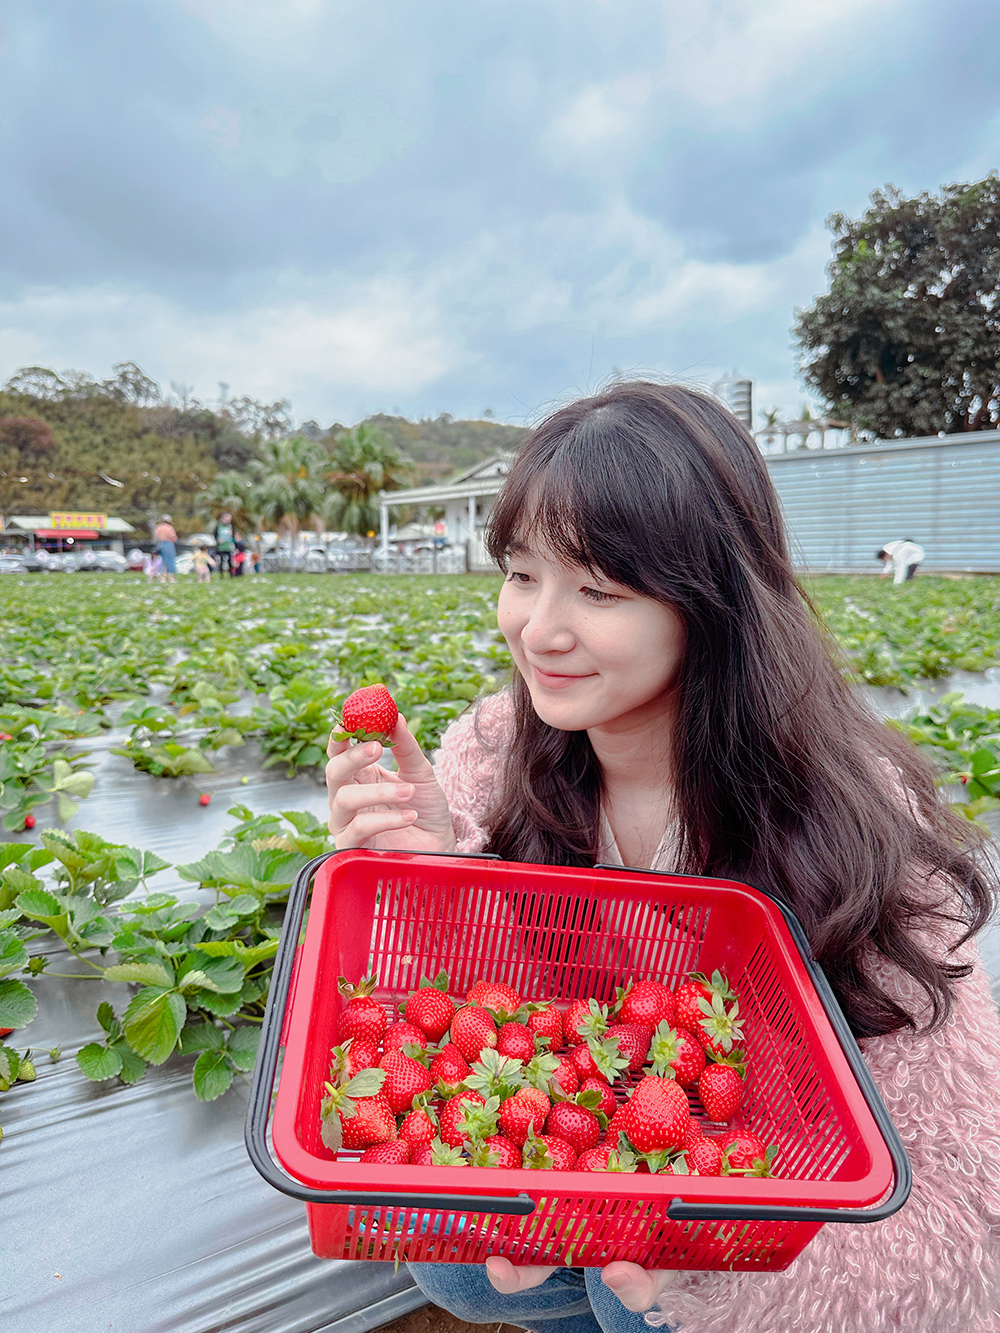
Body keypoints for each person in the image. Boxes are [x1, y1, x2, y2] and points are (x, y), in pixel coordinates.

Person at [325, 382, 1000, 1333]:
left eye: (599, 589)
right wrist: (435, 866)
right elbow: (512, 1034)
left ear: (713, 600)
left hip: (764, 1182)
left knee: (636, 1294)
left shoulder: (845, 823)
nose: (539, 629)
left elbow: (967, 1194)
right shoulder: (494, 750)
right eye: (523, 574)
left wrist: (723, 1277)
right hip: (607, 1129)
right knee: (466, 1272)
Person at [153, 514, 178, 584]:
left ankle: (162, 578)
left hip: (160, 543)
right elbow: (173, 537)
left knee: (162, 561)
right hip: (168, 544)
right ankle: (171, 578)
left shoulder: (158, 528)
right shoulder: (169, 528)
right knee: (170, 561)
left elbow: (156, 535)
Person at [214, 512, 236, 576]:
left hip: (229, 546)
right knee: (221, 561)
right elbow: (215, 535)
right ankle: (221, 575)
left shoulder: (231, 526)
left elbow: (233, 536)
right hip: (221, 547)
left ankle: (231, 575)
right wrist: (217, 540)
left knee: (230, 561)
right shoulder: (218, 526)